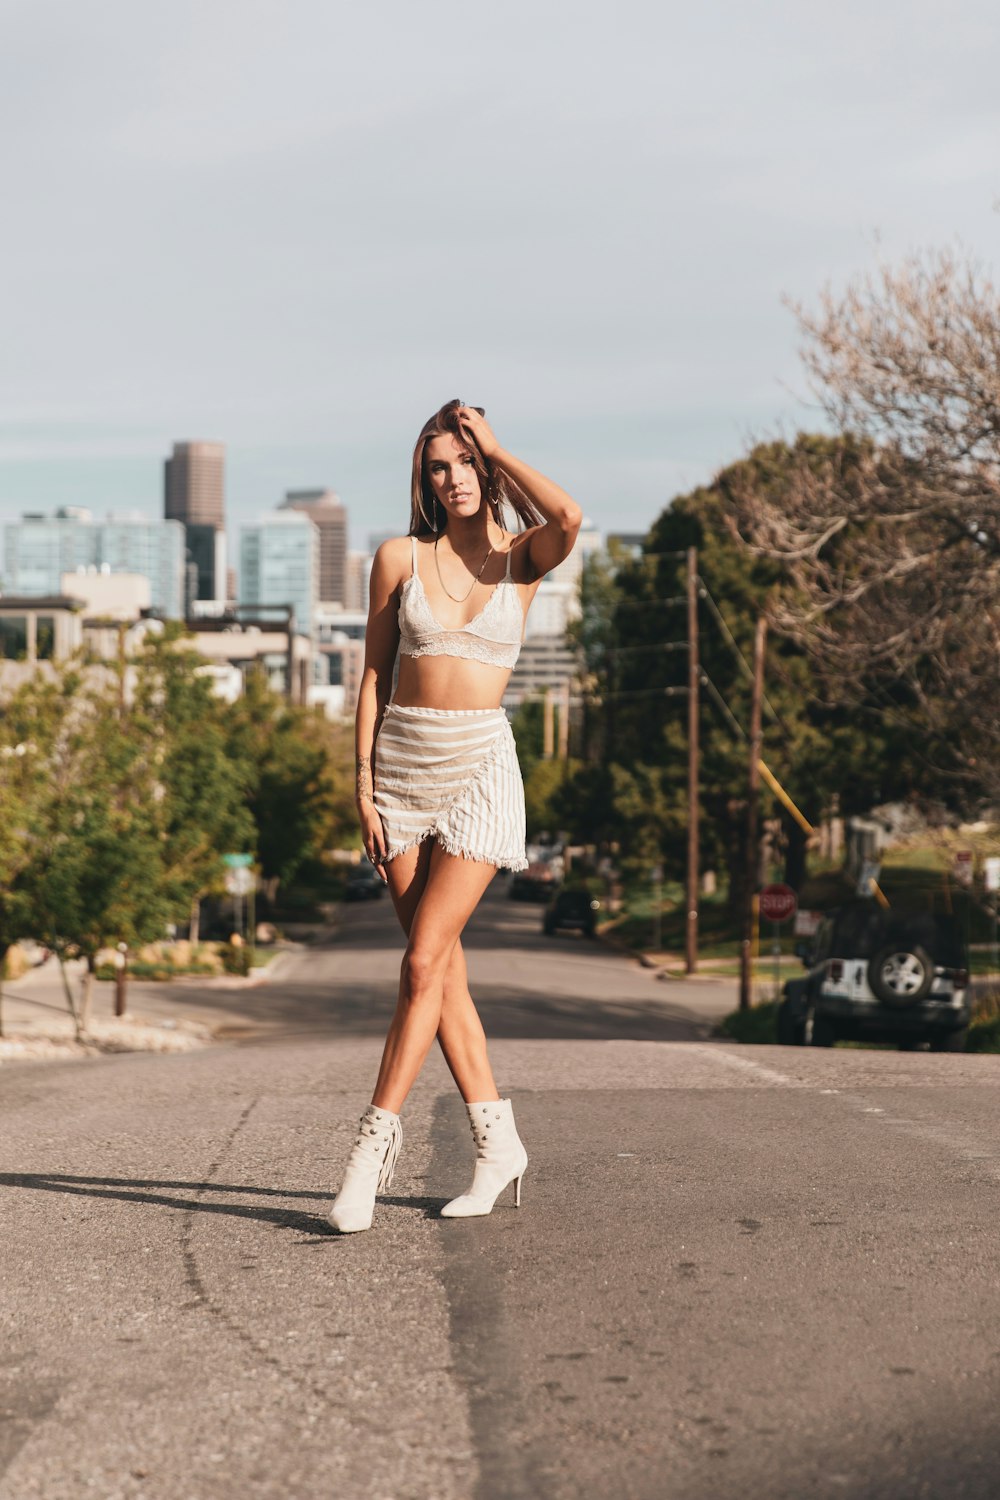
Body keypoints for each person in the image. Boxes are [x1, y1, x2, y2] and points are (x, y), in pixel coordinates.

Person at [328, 399, 582, 1233]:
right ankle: (498, 1142)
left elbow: (570, 515)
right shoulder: (399, 556)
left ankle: (369, 1151)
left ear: (486, 468)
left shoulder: (521, 561)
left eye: (466, 462)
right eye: (439, 466)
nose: (454, 478)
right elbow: (371, 676)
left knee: (421, 963)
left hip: (478, 766)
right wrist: (363, 786)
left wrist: (500, 446)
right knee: (441, 974)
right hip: (400, 769)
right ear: (425, 481)